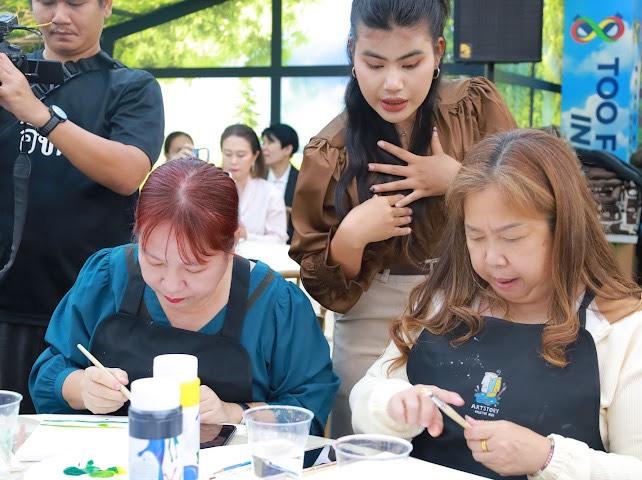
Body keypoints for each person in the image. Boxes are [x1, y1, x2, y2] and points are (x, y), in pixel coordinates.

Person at [351, 129, 642, 479]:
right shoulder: (443, 302)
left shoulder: (622, 329)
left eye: (512, 237)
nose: (492, 259)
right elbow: (365, 396)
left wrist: (548, 458)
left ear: (566, 230)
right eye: (475, 236)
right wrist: (393, 406)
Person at [289, 0, 516, 437]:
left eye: (410, 63)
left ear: (438, 51)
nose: (392, 84)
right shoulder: (330, 151)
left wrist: (458, 180)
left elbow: (529, 207)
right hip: (372, 317)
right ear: (352, 52)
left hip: (476, 301)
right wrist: (351, 236)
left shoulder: (475, 108)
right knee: (366, 443)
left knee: (470, 442)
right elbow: (326, 290)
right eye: (374, 64)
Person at [29, 157, 339, 436]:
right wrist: (83, 389)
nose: (172, 285)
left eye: (194, 267)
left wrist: (234, 413)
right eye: (154, 261)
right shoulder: (109, 277)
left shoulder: (273, 304)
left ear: (232, 244)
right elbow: (50, 371)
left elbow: (307, 409)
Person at [0, 0, 164, 413]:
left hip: (90, 312)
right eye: (47, 2)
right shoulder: (8, 75)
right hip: (6, 302)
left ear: (106, 5)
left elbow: (129, 171)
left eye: (75, 3)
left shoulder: (130, 86)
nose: (59, 16)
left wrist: (40, 116)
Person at [221, 124, 288, 244]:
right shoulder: (211, 189)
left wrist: (246, 236)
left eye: (241, 155)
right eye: (228, 154)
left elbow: (279, 239)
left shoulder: (271, 193)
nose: (233, 161)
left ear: (255, 156)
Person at [261, 124, 300, 242]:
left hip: (292, 245)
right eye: (263, 143)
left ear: (287, 149)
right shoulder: (256, 178)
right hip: (257, 243)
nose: (264, 148)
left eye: (270, 143)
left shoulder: (302, 181)